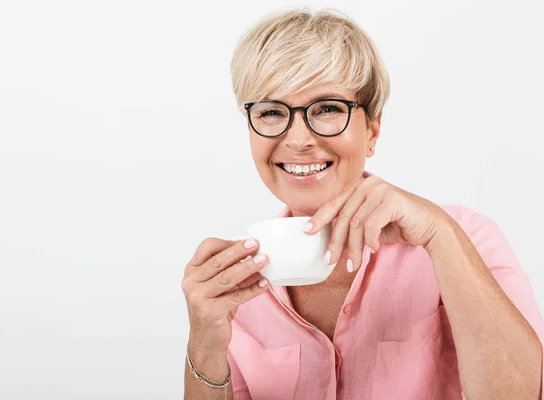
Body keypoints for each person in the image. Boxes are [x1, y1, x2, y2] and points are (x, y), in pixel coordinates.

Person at [181, 8, 544, 400]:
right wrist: (204, 343)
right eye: (271, 112)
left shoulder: (464, 237)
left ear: (372, 130)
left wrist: (439, 235)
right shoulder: (238, 293)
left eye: (327, 109)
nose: (298, 139)